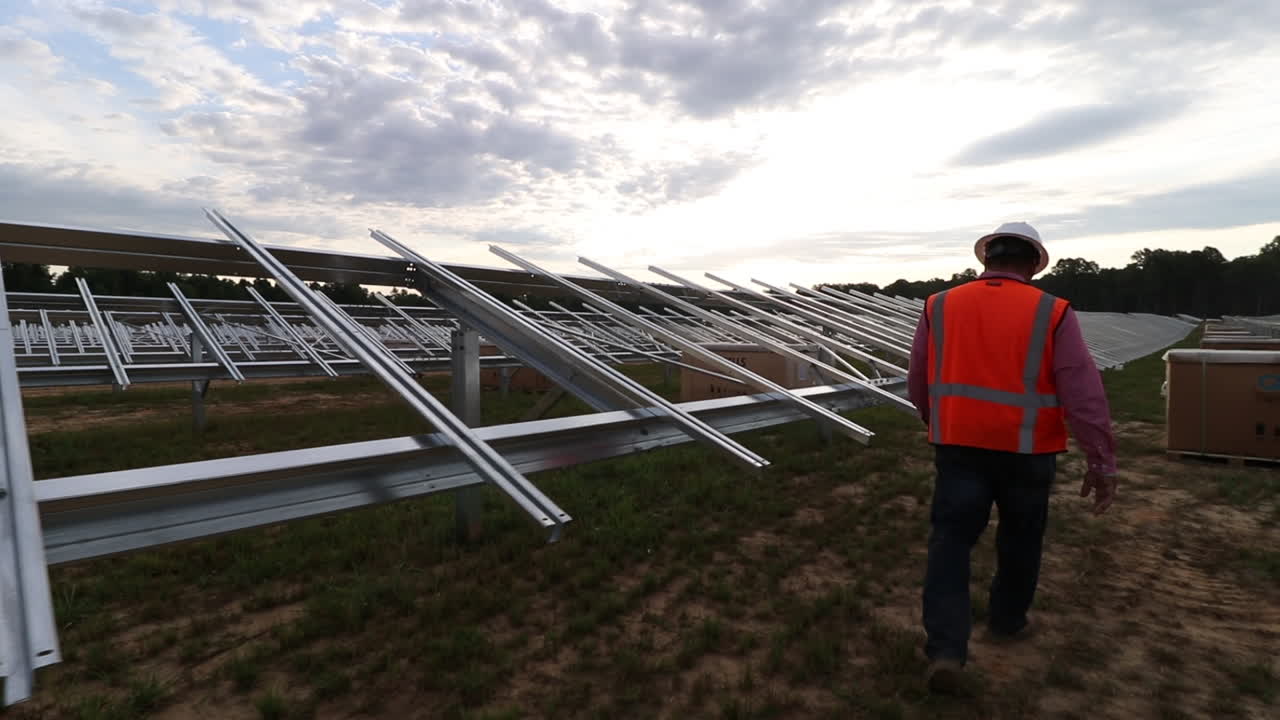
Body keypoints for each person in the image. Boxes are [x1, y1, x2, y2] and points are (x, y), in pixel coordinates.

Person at [906, 221, 1118, 694]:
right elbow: (1083, 393)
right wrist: (1100, 461)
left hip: (958, 445)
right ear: (1032, 265)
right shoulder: (1054, 311)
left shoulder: (939, 306)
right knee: (1021, 540)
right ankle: (1006, 620)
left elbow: (918, 376)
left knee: (950, 545)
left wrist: (934, 419)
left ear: (986, 259)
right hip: (1028, 451)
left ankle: (945, 650)